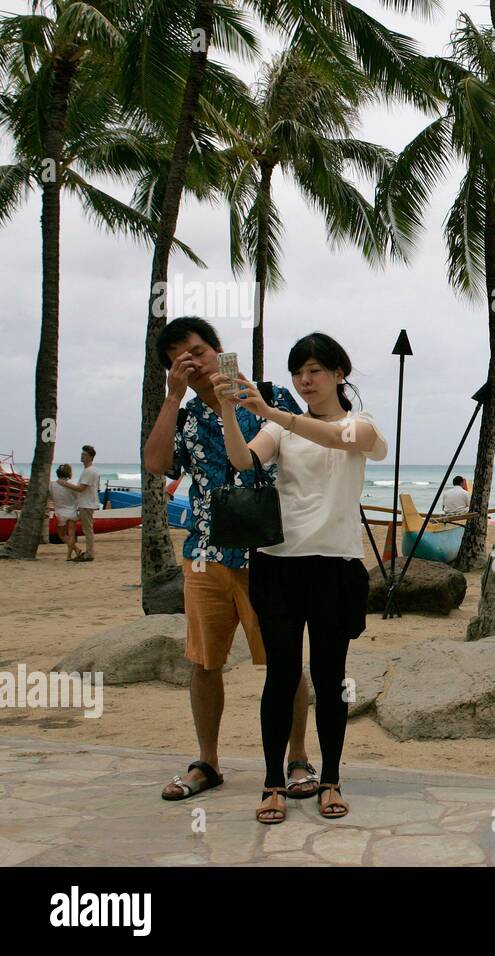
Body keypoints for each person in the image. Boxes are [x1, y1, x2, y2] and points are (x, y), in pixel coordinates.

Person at [212, 332, 387, 825]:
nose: (305, 380)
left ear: (338, 374)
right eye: (298, 372)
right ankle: (272, 784)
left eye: (315, 370)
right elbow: (243, 461)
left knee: (331, 679)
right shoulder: (281, 429)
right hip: (278, 563)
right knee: (282, 676)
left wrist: (272, 412)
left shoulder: (362, 426)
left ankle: (330, 779)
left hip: (335, 567)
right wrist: (230, 411)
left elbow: (336, 439)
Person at [143, 316, 319, 803]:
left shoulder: (269, 397)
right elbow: (157, 465)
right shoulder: (182, 417)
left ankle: (298, 758)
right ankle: (208, 762)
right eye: (180, 358)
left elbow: (306, 453)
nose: (192, 361)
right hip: (206, 553)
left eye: (198, 350)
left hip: (271, 552)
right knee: (204, 663)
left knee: (285, 663)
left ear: (219, 350)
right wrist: (173, 397)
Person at [56, 446, 100, 561]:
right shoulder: (90, 470)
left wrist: (63, 483)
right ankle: (88, 552)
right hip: (86, 503)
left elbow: (81, 488)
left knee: (87, 529)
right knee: (87, 529)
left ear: (90, 457)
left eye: (84, 454)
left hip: (87, 504)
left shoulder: (90, 471)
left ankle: (90, 554)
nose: (82, 456)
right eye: (82, 454)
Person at [48, 464, 82, 561]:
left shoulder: (52, 485)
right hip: (72, 512)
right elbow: (78, 497)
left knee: (62, 535)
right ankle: (70, 555)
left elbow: (50, 497)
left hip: (60, 513)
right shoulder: (72, 485)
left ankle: (75, 550)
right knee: (71, 535)